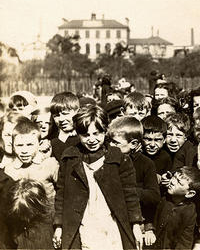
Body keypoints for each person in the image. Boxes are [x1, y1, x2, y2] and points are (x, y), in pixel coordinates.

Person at [53, 105, 143, 250]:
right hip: (82, 222)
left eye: (97, 133)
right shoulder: (70, 157)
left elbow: (130, 194)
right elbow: (61, 193)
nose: (92, 139)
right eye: (86, 135)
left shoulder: (117, 157)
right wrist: (59, 226)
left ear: (105, 131)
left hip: (110, 224)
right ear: (77, 133)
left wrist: (136, 225)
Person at [108, 116, 160, 247]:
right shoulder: (108, 160)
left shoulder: (146, 164)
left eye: (116, 143)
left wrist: (128, 191)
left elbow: (153, 196)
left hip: (136, 222)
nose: (110, 145)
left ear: (134, 144)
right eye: (110, 141)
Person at [3, 119, 59, 200]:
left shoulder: (50, 164)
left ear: (39, 145)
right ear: (13, 147)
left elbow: (62, 192)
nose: (24, 151)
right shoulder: (9, 170)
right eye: (19, 145)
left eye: (30, 145)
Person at [153, 166, 200, 250]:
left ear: (190, 193)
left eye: (179, 183)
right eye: (174, 177)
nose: (172, 181)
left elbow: (185, 241)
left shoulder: (189, 212)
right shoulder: (163, 197)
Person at [5, 179, 54, 249]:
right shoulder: (16, 226)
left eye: (26, 214)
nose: (23, 218)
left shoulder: (50, 220)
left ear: (38, 207)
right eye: (20, 214)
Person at [49, 92, 80, 162]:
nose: (61, 119)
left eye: (65, 114)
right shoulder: (52, 141)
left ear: (77, 112)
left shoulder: (85, 137)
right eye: (56, 116)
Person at [141, 115, 172, 182]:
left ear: (164, 140)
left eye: (157, 140)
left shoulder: (166, 158)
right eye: (148, 139)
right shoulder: (136, 155)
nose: (152, 145)